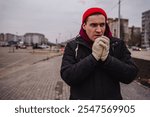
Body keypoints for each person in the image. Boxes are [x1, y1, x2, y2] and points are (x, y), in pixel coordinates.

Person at [60, 7, 138, 100]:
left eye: (102, 25)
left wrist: (107, 60)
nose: (99, 30)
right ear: (84, 26)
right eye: (93, 25)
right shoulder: (73, 46)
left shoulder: (116, 44)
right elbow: (68, 76)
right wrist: (93, 57)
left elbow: (131, 74)